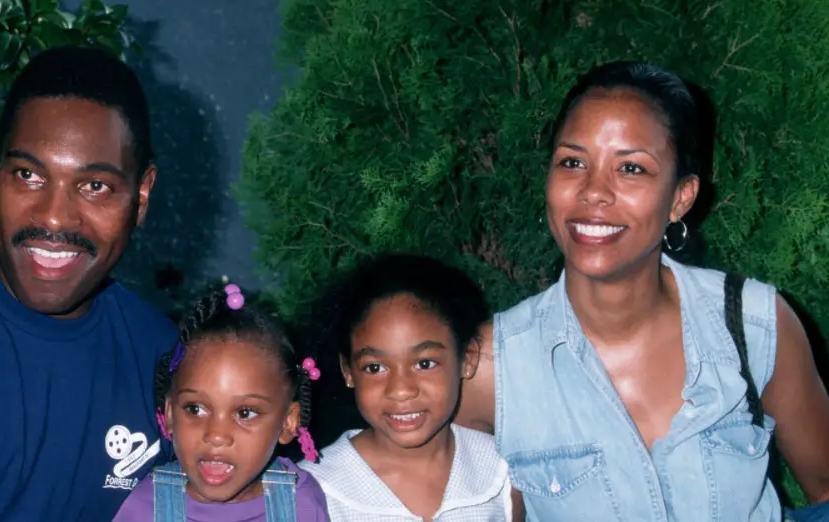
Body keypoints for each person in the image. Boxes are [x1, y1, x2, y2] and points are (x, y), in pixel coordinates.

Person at [454, 60, 829, 521]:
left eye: (631, 168)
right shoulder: (488, 370)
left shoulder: (754, 325)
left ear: (680, 197)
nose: (593, 191)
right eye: (573, 162)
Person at [0, 46, 177, 521]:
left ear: (141, 194)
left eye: (95, 187)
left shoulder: (167, 363)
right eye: (28, 174)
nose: (53, 216)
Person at [300, 254, 513, 521]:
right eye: (375, 368)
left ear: (466, 360)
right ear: (348, 371)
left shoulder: (501, 471)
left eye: (424, 363)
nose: (401, 390)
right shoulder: (312, 491)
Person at [112, 283, 329, 521]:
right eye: (195, 409)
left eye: (245, 413)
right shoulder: (145, 509)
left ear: (288, 423)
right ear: (170, 415)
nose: (216, 435)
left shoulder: (302, 505)